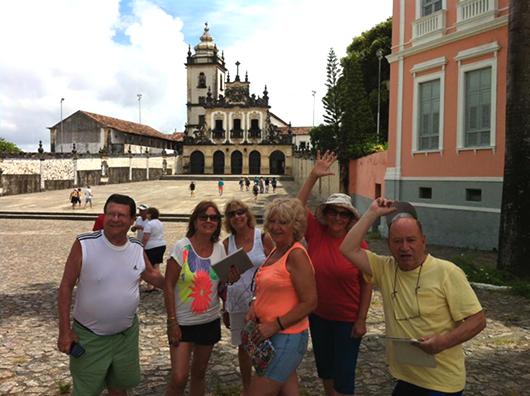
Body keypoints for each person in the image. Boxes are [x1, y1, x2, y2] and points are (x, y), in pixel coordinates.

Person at [340, 199, 487, 396]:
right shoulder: (384, 268)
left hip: (441, 383)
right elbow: (347, 248)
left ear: (423, 241)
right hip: (406, 377)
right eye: (397, 241)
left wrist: (443, 342)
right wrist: (372, 213)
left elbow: (478, 320)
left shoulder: (447, 272)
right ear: (388, 244)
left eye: (411, 240)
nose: (404, 247)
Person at [57, 194, 165, 396]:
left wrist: (178, 284)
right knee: (85, 391)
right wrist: (64, 331)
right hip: (89, 337)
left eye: (122, 215)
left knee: (119, 387)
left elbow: (150, 274)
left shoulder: (136, 247)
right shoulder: (84, 244)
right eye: (111, 214)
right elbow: (65, 286)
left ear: (133, 220)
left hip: (126, 336)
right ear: (104, 215)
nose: (115, 219)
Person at [297, 150, 372, 396]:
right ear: (326, 214)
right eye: (333, 212)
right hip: (319, 317)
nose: (337, 218)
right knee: (326, 371)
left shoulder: (359, 244)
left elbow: (366, 284)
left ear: (349, 218)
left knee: (344, 376)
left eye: (343, 214)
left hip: (347, 321)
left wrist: (361, 319)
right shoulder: (316, 234)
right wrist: (313, 176)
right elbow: (297, 208)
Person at [164, 201, 238, 396]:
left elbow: (220, 283)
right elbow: (168, 284)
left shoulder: (220, 249)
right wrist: (172, 321)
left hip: (209, 320)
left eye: (213, 217)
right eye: (203, 217)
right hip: (183, 322)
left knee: (199, 372)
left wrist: (230, 280)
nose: (208, 221)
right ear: (195, 221)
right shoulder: (182, 247)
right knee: (179, 377)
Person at [246, 198, 317, 396]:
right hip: (270, 336)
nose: (276, 227)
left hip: (286, 337)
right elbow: (267, 287)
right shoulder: (277, 250)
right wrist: (254, 306)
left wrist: (275, 325)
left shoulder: (296, 255)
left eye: (283, 222)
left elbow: (310, 302)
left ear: (294, 227)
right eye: (272, 221)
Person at [222, 198, 274, 395]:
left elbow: (275, 264)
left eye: (240, 212)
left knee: (267, 343)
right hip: (237, 301)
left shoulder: (263, 238)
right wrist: (224, 307)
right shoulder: (227, 243)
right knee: (244, 348)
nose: (237, 216)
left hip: (263, 301)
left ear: (247, 214)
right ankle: (247, 388)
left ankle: (269, 386)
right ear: (228, 220)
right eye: (232, 214)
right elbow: (223, 279)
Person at [142, 207, 167, 292]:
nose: (146, 215)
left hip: (151, 246)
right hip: (161, 245)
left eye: (147, 213)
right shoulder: (160, 223)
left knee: (149, 266)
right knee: (156, 265)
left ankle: (150, 286)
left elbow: (145, 237)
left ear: (151, 214)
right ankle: (157, 286)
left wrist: (141, 247)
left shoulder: (149, 224)